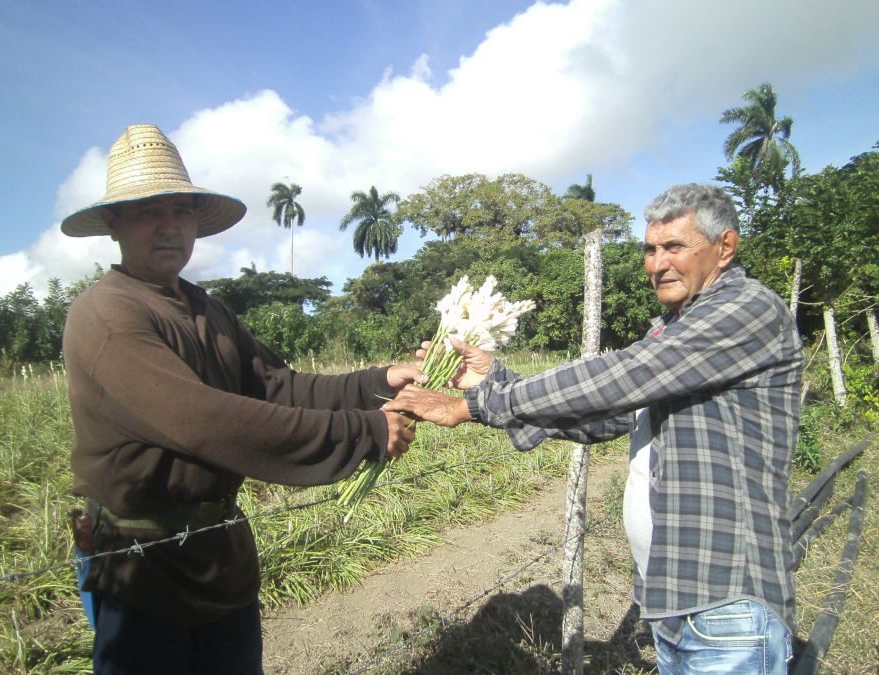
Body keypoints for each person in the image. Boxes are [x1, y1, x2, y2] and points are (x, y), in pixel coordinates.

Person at [384, 184, 802, 674]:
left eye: (675, 247)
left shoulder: (746, 310)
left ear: (724, 247)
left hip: (727, 603)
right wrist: (491, 380)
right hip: (676, 596)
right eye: (650, 249)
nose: (657, 263)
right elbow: (604, 417)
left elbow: (619, 377)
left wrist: (474, 404)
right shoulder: (675, 329)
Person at [60, 124, 419, 674]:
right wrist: (365, 432)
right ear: (113, 224)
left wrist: (380, 380)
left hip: (219, 555)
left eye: (181, 211)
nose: (169, 227)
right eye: (147, 212)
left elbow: (279, 385)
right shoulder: (106, 313)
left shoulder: (208, 310)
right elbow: (204, 421)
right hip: (142, 570)